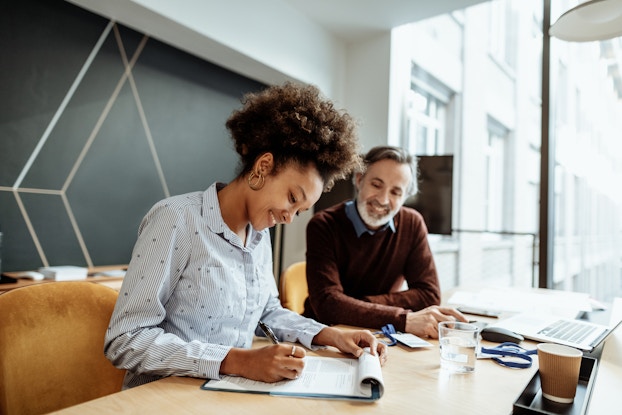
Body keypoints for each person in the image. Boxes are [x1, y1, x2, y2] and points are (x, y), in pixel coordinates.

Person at [104, 82, 388, 389]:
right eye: (292, 198)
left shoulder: (258, 236)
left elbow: (267, 311)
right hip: (163, 398)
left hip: (225, 395)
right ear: (263, 166)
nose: (289, 218)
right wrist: (237, 360)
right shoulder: (177, 220)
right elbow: (126, 339)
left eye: (300, 211)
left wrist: (328, 334)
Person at [303, 146, 467, 338]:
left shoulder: (412, 223)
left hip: (382, 333)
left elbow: (428, 295)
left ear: (405, 197)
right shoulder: (323, 225)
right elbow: (328, 305)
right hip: (327, 334)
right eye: (376, 185)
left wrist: (353, 303)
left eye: (396, 192)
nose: (382, 199)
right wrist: (402, 319)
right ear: (359, 180)